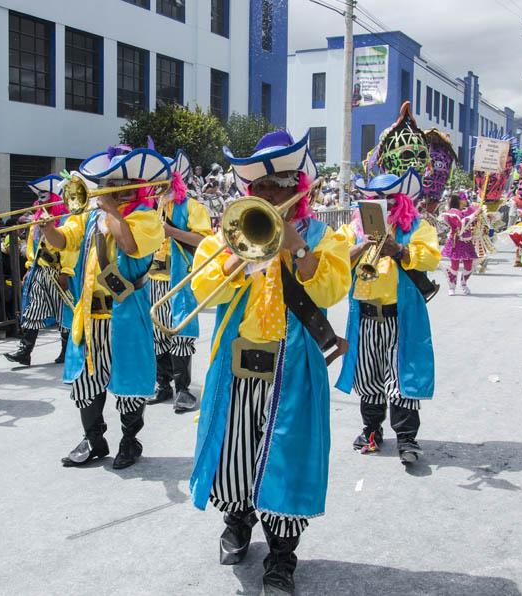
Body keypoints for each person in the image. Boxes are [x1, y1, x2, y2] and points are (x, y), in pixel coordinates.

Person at [189, 131, 351, 596]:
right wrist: (235, 259)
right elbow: (205, 294)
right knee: (234, 455)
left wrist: (297, 247)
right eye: (258, 187)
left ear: (299, 187)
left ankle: (281, 557)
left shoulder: (324, 235)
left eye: (278, 184)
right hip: (238, 367)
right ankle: (237, 523)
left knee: (285, 461)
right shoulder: (231, 233)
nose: (268, 194)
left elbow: (330, 291)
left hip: (293, 366)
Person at [40, 143, 166, 470]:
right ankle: (94, 439)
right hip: (91, 316)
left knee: (128, 381)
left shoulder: (146, 216)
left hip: (124, 312)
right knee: (86, 379)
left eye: (116, 183)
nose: (109, 188)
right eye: (107, 182)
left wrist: (111, 210)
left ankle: (129, 440)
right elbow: (65, 241)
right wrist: (48, 229)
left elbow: (131, 245)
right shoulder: (92, 216)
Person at [337, 102, 440, 465]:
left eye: (385, 199)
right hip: (365, 317)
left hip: (400, 316)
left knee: (402, 379)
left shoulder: (417, 227)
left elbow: (430, 257)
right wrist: (360, 245)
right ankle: (371, 430)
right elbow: (335, 257)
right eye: (372, 199)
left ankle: (408, 439)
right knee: (368, 378)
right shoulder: (354, 229)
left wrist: (399, 248)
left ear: (399, 201)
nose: (377, 204)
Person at [148, 150, 212, 412]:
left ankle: (183, 390)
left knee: (181, 334)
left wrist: (172, 231)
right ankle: (162, 385)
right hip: (153, 279)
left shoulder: (193, 207)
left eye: (163, 180)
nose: (158, 186)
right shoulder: (149, 207)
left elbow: (205, 242)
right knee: (158, 335)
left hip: (180, 280)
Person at [4, 174, 75, 367]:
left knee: (64, 312)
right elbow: (31, 244)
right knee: (33, 309)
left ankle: (66, 350)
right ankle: (24, 351)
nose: (40, 200)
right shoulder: (37, 219)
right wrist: (29, 266)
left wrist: (66, 271)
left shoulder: (65, 218)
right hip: (40, 270)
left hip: (57, 270)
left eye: (45, 196)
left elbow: (71, 247)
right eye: (39, 196)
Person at [442, 192, 480, 295]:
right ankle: (452, 287)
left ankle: (463, 283)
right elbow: (461, 223)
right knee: (454, 266)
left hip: (467, 241)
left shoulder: (468, 210)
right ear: (459, 200)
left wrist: (480, 215)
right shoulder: (452, 212)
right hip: (455, 241)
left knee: (469, 266)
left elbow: (474, 221)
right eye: (464, 199)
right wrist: (472, 216)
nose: (466, 201)